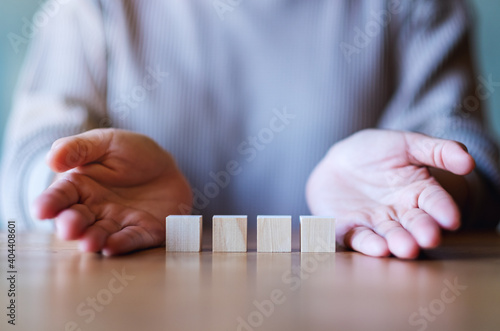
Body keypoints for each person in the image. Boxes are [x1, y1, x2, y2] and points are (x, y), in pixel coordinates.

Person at [1, 0, 499, 258]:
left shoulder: (411, 7)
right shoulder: (95, 7)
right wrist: (71, 188)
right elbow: (26, 160)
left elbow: (468, 154)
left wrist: (425, 184)